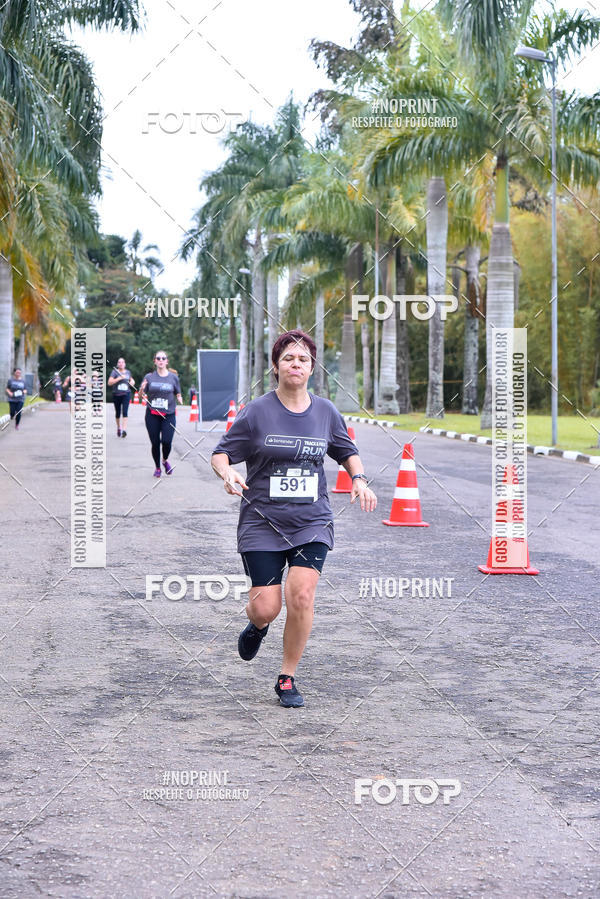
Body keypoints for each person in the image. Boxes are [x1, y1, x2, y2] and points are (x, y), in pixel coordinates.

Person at [211, 330, 377, 708]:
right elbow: (221, 453)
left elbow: (346, 451)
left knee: (301, 594)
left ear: (312, 368)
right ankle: (258, 625)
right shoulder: (257, 411)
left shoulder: (325, 411)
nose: (296, 364)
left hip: (311, 521)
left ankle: (286, 677)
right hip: (262, 522)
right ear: (276, 366)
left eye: (303, 359)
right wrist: (227, 472)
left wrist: (359, 478)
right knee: (267, 607)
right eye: (288, 358)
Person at [139, 350, 183, 477]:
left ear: (167, 361)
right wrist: (141, 389)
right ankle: (157, 467)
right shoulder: (149, 377)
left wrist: (179, 398)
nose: (161, 360)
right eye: (158, 358)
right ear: (155, 361)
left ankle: (164, 460)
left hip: (168, 414)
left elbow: (177, 392)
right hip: (152, 414)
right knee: (155, 443)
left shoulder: (173, 377)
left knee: (167, 441)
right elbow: (141, 396)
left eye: (163, 358)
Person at [108, 357, 135, 437]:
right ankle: (119, 427)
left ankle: (124, 430)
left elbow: (131, 380)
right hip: (116, 394)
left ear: (125, 364)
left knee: (125, 412)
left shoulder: (128, 372)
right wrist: (119, 378)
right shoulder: (114, 372)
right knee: (118, 413)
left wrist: (132, 382)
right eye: (119, 362)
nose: (121, 364)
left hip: (126, 394)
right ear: (117, 364)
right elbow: (109, 383)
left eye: (122, 362)